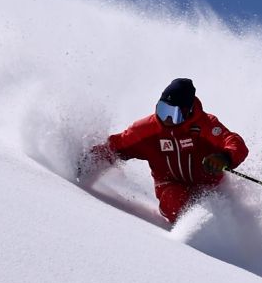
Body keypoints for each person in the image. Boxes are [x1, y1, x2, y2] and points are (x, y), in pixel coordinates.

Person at [78, 78, 248, 224]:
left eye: (174, 115)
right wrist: (86, 162)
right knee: (175, 200)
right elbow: (117, 145)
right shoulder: (146, 130)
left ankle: (227, 243)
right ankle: (193, 236)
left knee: (216, 206)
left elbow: (234, 142)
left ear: (188, 112)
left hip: (208, 185)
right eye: (163, 110)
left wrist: (225, 157)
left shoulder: (204, 125)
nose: (166, 119)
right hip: (170, 184)